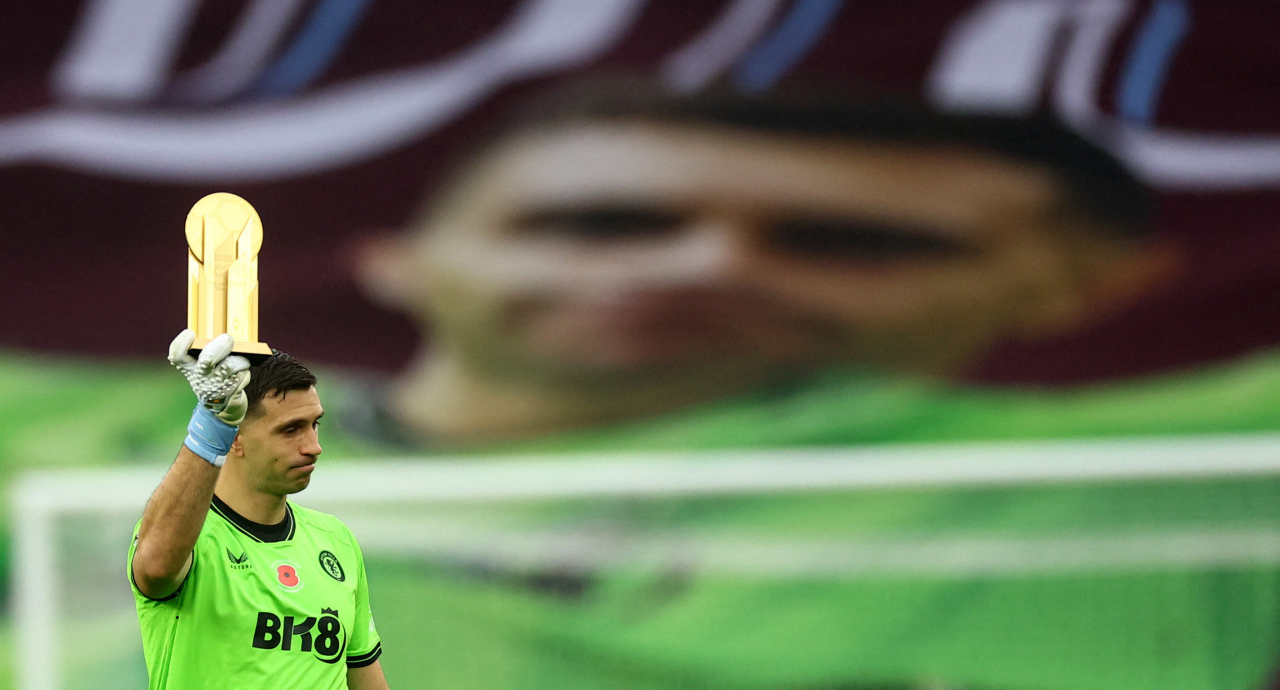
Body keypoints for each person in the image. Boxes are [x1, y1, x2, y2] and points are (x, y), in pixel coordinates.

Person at [351, 78, 1183, 447]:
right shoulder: (224, 456)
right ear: (398, 262)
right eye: (600, 224)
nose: (707, 266)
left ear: (1086, 288)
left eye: (851, 241)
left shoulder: (1154, 473)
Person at [128, 330, 390, 689]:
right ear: (235, 437)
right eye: (291, 429)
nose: (314, 447)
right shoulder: (188, 537)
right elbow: (157, 566)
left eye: (315, 424)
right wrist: (211, 426)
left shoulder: (336, 540)